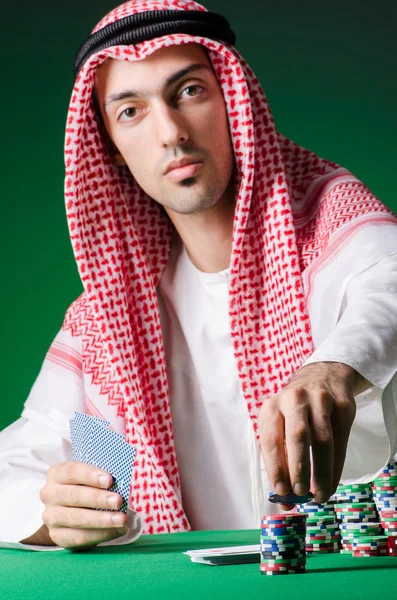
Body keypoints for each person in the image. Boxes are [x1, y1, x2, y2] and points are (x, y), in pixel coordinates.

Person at [1, 0, 397, 552]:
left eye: (189, 91)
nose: (171, 132)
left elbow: (388, 286)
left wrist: (333, 369)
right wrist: (52, 511)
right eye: (131, 112)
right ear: (112, 151)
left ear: (233, 101)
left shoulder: (331, 214)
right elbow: (14, 468)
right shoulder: (111, 324)